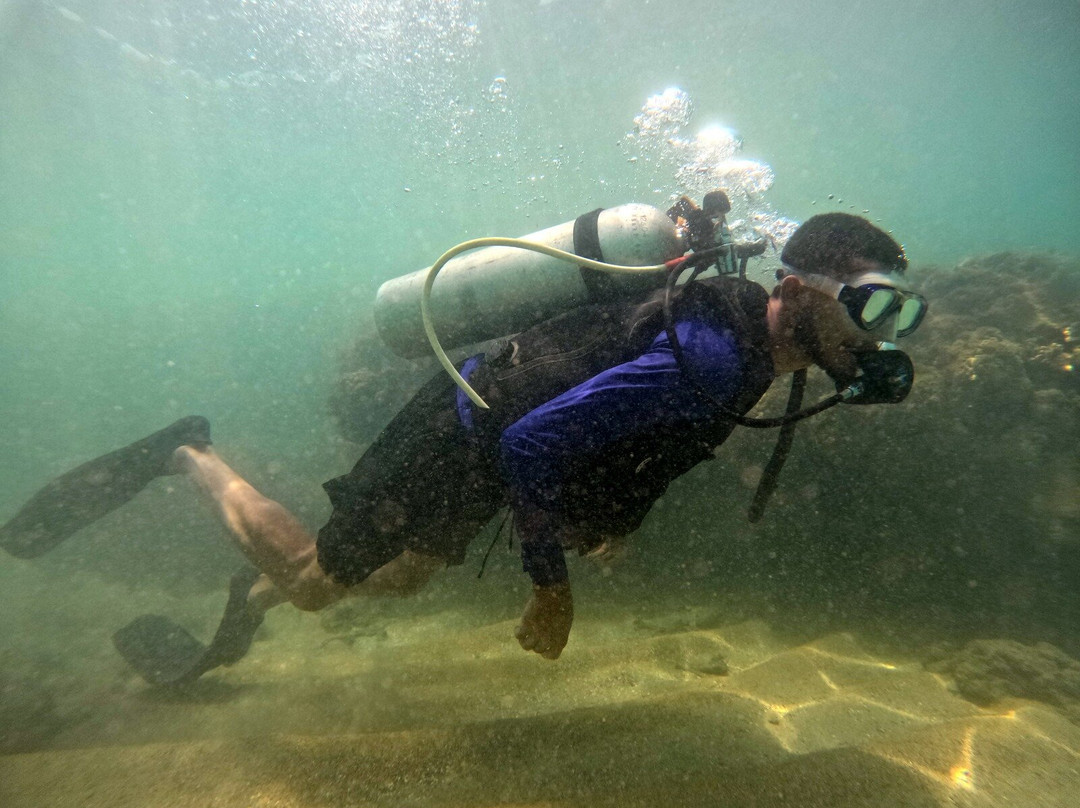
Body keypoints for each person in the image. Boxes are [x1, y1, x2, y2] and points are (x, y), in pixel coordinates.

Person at [0, 211, 924, 678]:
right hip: (467, 424)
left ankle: (259, 581)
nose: (887, 337)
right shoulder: (716, 353)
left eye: (900, 313)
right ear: (800, 292)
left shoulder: (762, 350)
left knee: (400, 575)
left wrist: (619, 513)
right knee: (321, 587)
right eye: (877, 306)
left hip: (486, 432)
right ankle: (190, 453)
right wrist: (550, 590)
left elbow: (646, 438)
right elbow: (532, 444)